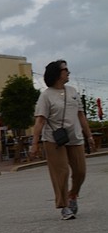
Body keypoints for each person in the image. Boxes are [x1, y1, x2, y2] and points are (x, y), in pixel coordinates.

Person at [28, 60, 95, 219]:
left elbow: (81, 115)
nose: (68, 72)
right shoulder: (46, 96)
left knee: (80, 171)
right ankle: (64, 206)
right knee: (61, 172)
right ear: (57, 74)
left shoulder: (72, 92)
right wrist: (34, 143)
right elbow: (40, 121)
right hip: (54, 139)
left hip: (74, 137)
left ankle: (73, 195)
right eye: (65, 70)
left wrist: (89, 135)